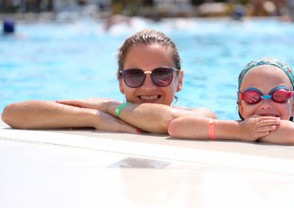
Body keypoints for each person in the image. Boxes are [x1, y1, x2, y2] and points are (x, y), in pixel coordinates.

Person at [1, 29, 216, 134]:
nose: (148, 86)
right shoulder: (105, 114)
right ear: (121, 82)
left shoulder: (199, 115)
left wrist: (107, 107)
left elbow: (168, 122)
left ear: (179, 80)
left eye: (161, 74)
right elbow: (12, 113)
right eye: (134, 75)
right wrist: (94, 117)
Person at [168, 57, 294, 145]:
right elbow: (176, 127)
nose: (265, 106)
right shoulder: (237, 128)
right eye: (253, 97)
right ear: (240, 106)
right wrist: (240, 130)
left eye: (278, 96)